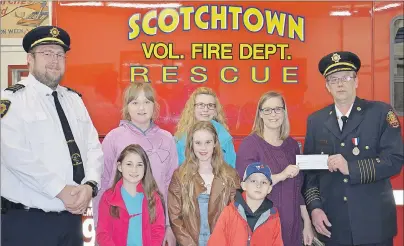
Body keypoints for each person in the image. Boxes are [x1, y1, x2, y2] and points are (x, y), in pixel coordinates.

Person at [1, 26, 104, 246]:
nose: (54, 60)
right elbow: (15, 156)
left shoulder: (74, 100)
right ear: (30, 59)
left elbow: (93, 147)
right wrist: (59, 190)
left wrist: (90, 185)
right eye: (46, 53)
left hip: (71, 221)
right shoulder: (13, 100)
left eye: (60, 54)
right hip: (28, 223)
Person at [302, 51, 404, 246]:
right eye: (333, 79)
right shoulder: (316, 121)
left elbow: (394, 160)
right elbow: (310, 173)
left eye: (346, 77)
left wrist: (351, 168)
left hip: (374, 225)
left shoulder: (381, 113)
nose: (340, 83)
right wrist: (314, 208)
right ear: (327, 86)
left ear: (356, 82)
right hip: (332, 226)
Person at [93, 82, 178, 245]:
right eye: (135, 102)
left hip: (154, 226)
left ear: (155, 106)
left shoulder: (167, 139)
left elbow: (170, 186)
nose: (142, 108)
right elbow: (103, 182)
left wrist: (169, 225)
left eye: (147, 102)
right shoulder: (114, 138)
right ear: (127, 107)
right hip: (117, 226)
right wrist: (99, 227)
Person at [236, 91, 314, 246]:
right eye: (267, 110)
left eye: (278, 109)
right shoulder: (250, 144)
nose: (273, 114)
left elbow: (298, 189)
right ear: (260, 114)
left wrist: (307, 223)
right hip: (262, 228)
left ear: (284, 112)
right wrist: (281, 175)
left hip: (293, 228)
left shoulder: (292, 145)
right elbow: (249, 184)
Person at [168, 121, 240, 246]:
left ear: (215, 144)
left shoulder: (230, 175)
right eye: (198, 143)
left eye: (208, 142)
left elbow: (237, 216)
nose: (203, 148)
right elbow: (175, 218)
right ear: (191, 145)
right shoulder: (180, 176)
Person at [96, 144, 165, 246]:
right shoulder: (108, 198)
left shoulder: (153, 198)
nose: (134, 169)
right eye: (129, 164)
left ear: (145, 168)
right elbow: (103, 233)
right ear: (120, 167)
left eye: (139, 165)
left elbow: (158, 231)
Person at [208, 162, 284, 246]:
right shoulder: (229, 212)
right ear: (243, 185)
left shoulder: (273, 218)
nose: (258, 185)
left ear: (269, 189)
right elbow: (215, 242)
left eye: (264, 182)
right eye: (253, 181)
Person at [175, 87, 236, 167]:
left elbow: (232, 168)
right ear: (193, 108)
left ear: (215, 110)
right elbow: (178, 169)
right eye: (201, 105)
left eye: (210, 105)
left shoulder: (225, 138)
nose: (206, 109)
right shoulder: (180, 138)